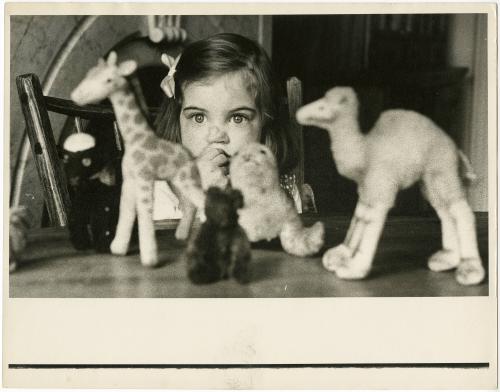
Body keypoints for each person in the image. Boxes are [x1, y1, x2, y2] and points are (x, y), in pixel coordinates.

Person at [152, 32, 301, 220]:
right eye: (199, 117)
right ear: (178, 118)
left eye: (237, 118)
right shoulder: (157, 190)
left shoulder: (280, 185)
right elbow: (173, 247)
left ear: (265, 118)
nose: (216, 136)